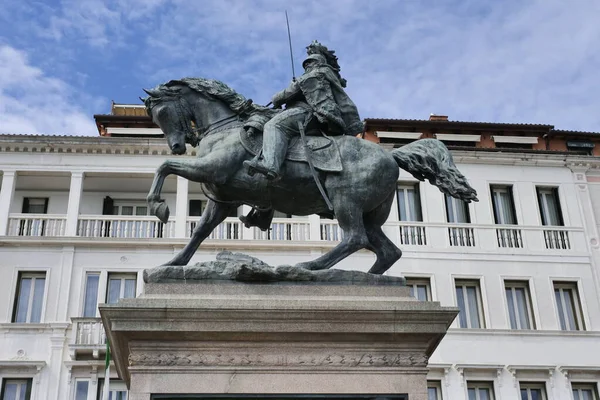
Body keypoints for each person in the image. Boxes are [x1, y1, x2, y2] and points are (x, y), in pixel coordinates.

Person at [243, 51, 363, 181]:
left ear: (316, 64)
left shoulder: (314, 75)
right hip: (324, 119)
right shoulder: (326, 75)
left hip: (309, 113)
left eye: (309, 64)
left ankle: (270, 165)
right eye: (306, 65)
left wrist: (290, 87)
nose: (306, 67)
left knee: (274, 125)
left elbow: (281, 97)